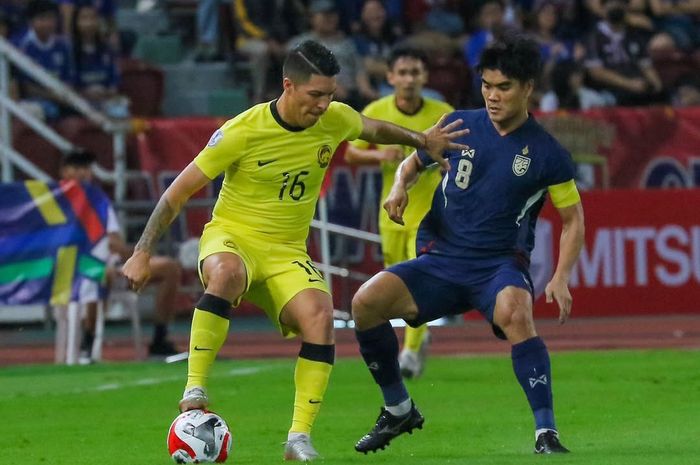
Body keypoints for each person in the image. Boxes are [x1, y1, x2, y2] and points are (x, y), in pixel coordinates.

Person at [121, 40, 468, 462]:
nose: (325, 105)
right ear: (288, 86)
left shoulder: (334, 118)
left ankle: (298, 439)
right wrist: (142, 251)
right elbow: (177, 194)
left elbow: (373, 129)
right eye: (316, 95)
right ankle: (195, 387)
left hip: (286, 251)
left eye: (330, 95)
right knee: (226, 274)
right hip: (233, 237)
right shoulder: (242, 130)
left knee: (321, 317)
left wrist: (420, 140)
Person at [351, 33, 585, 455]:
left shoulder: (548, 153)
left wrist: (562, 275)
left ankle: (545, 433)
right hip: (440, 259)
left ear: (527, 88)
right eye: (487, 86)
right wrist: (399, 186)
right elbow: (413, 160)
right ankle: (399, 408)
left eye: (504, 87)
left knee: (517, 311)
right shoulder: (459, 124)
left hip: (498, 265)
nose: (493, 96)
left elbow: (573, 219)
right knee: (364, 303)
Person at [345, 46, 453, 379]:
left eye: (415, 72)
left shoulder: (443, 113)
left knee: (417, 279)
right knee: (395, 282)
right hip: (391, 213)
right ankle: (418, 338)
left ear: (424, 77)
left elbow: (462, 151)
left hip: (429, 214)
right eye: (402, 73)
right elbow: (351, 153)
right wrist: (379, 156)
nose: (408, 79)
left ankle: (409, 350)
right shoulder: (377, 110)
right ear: (390, 77)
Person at [59, 150, 183, 361]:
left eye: (86, 168)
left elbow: (115, 241)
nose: (82, 173)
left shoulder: (99, 202)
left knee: (170, 268)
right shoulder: (56, 203)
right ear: (64, 171)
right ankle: (87, 345)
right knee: (99, 273)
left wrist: (136, 255)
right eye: (76, 167)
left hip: (112, 262)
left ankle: (160, 339)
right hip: (76, 266)